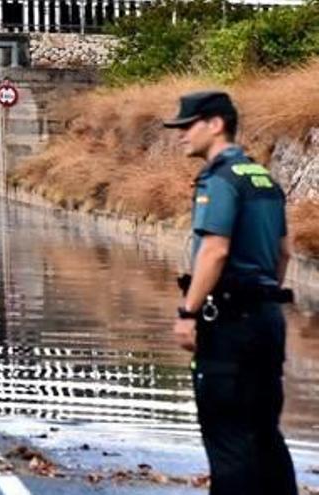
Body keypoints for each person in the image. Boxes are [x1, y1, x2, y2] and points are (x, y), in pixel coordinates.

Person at [164, 91, 296, 495]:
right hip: (267, 322)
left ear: (216, 124)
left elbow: (215, 250)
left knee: (228, 440)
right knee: (264, 435)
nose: (182, 135)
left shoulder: (218, 179)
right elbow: (284, 251)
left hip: (229, 328)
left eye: (188, 125)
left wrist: (189, 312)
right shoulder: (262, 177)